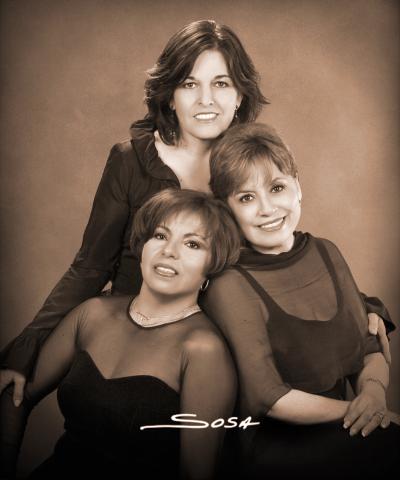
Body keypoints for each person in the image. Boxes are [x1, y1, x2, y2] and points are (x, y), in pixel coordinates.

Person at [0, 20, 390, 406]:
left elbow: (281, 249)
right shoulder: (131, 161)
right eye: (189, 84)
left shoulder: (246, 165)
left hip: (227, 352)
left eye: (221, 84)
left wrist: (361, 308)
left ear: (240, 96)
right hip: (141, 347)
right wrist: (26, 350)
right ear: (169, 96)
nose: (207, 99)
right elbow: (89, 267)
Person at [0, 189, 240, 479]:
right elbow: (16, 396)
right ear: (142, 245)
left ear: (211, 265)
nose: (169, 251)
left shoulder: (203, 350)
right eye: (161, 236)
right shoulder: (92, 314)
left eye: (192, 244)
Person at [203, 123, 399, 479]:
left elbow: (369, 348)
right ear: (227, 210)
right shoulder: (228, 283)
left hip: (345, 427)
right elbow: (268, 397)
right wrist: (358, 410)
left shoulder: (326, 252)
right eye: (246, 197)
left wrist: (373, 392)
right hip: (272, 450)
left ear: (298, 189)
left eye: (277, 188)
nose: (266, 208)